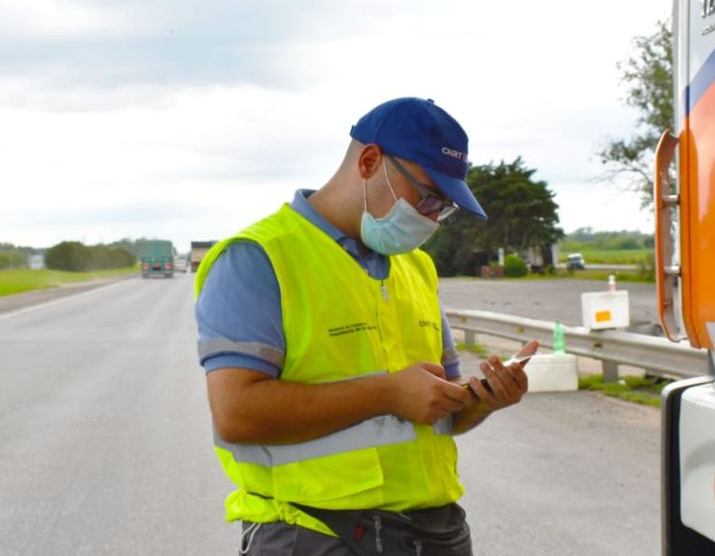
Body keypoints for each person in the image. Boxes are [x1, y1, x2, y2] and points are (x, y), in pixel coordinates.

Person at [195, 97, 539, 555]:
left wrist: (484, 401)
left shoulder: (415, 267)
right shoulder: (259, 259)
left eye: (445, 207)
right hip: (315, 534)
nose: (433, 218)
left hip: (434, 533)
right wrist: (387, 393)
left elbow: (440, 412)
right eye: (428, 197)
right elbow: (237, 414)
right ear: (370, 161)